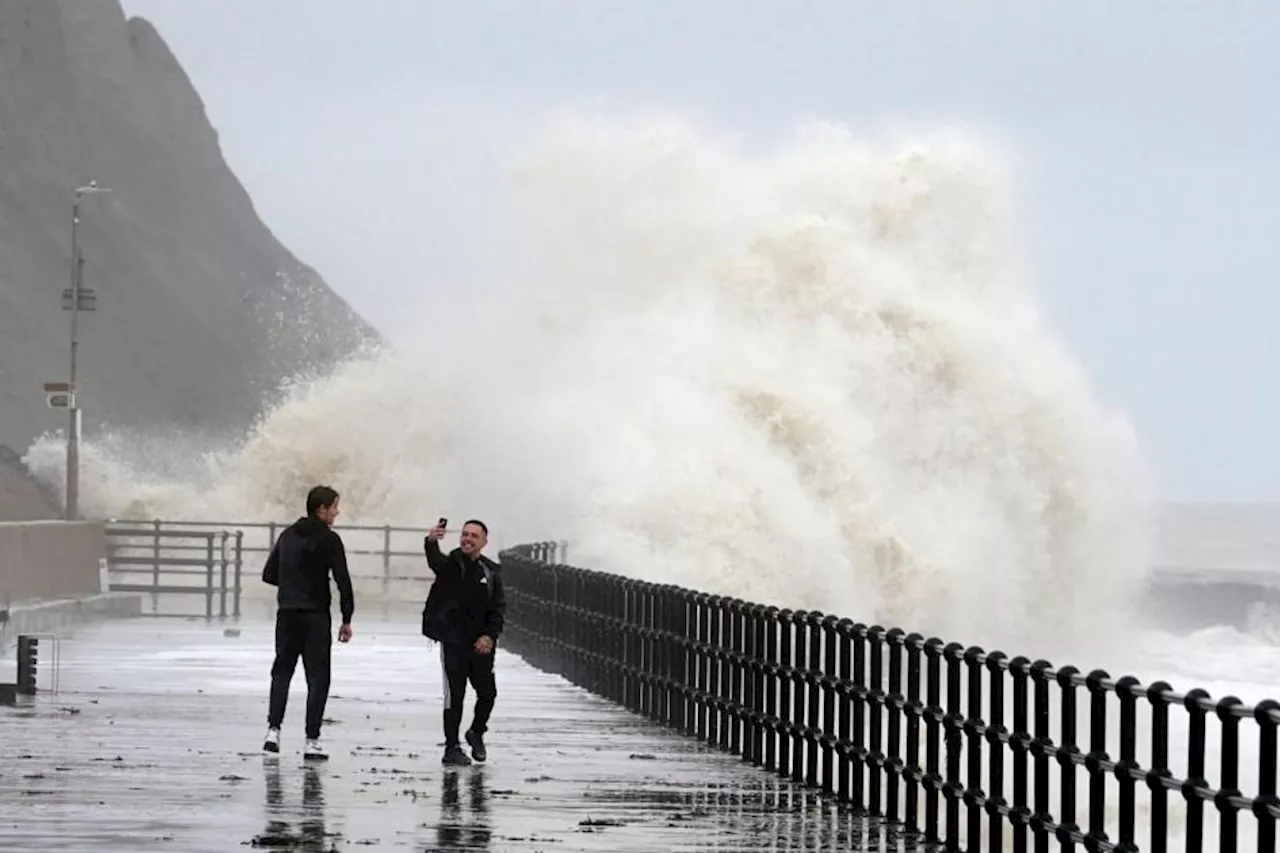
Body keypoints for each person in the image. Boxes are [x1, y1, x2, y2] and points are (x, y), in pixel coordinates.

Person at [261, 485, 355, 760]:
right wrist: (347, 618)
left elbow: (269, 574)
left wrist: (292, 583)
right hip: (315, 616)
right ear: (322, 509)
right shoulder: (329, 539)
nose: (337, 512)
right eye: (335, 507)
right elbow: (342, 581)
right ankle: (311, 741)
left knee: (282, 672)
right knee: (318, 677)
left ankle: (273, 732)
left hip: (287, 613)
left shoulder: (287, 535)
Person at [421, 518, 505, 765]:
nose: (468, 539)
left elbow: (498, 608)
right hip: (453, 641)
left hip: (481, 644)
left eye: (474, 536)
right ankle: (451, 747)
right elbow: (435, 561)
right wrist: (431, 542)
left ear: (484, 542)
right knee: (454, 697)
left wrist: (489, 636)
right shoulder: (451, 564)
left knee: (487, 693)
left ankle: (476, 732)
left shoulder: (491, 571)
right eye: (465, 534)